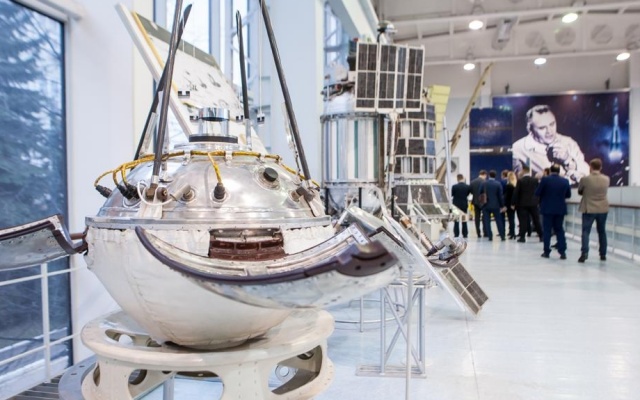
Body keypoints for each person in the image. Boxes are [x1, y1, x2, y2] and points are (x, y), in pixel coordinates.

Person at [512, 104, 589, 184]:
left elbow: (586, 173)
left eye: (552, 124)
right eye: (542, 128)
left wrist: (567, 159)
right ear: (530, 130)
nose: (549, 131)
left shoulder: (568, 142)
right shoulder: (518, 149)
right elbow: (519, 182)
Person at [535, 164, 571, 259]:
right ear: (559, 171)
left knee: (547, 230)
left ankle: (546, 251)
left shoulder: (545, 180)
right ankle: (562, 252)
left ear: (550, 171)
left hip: (547, 208)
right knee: (559, 229)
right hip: (560, 209)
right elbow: (568, 195)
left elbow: (537, 192)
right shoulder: (565, 181)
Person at [577, 158, 610, 263]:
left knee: (586, 231)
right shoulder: (606, 179)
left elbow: (580, 191)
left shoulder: (585, 179)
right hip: (603, 208)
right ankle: (603, 254)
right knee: (602, 231)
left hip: (589, 208)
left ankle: (584, 253)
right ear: (601, 167)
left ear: (590, 167)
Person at [512, 166, 543, 243]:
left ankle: (522, 237)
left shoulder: (520, 181)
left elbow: (516, 192)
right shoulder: (535, 180)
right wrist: (538, 201)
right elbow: (539, 191)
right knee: (536, 220)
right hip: (533, 203)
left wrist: (513, 203)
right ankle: (541, 236)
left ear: (523, 171)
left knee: (523, 221)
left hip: (522, 204)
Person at [482, 170, 506, 241]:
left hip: (486, 205)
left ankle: (490, 236)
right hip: (496, 205)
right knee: (499, 221)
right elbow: (500, 196)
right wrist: (502, 205)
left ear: (489, 175)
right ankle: (502, 236)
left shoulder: (484, 183)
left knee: (487, 221)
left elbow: (480, 192)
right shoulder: (498, 184)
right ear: (495, 176)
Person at [451, 173, 471, 238]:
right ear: (463, 178)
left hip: (456, 205)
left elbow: (452, 194)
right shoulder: (467, 186)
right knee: (464, 220)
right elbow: (468, 194)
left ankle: (456, 234)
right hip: (464, 205)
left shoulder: (454, 186)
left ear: (457, 179)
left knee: (456, 220)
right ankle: (465, 234)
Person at [469, 170, 487, 238]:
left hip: (475, 201)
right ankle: (485, 232)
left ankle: (478, 233)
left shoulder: (473, 182)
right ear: (484, 174)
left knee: (477, 217)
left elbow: (471, 191)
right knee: (485, 217)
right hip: (484, 202)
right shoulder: (485, 182)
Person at [504, 171, 517, 239]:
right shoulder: (515, 184)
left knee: (510, 219)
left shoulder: (509, 185)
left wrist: (505, 205)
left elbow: (507, 196)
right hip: (514, 204)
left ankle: (512, 233)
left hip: (509, 204)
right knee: (512, 218)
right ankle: (513, 232)